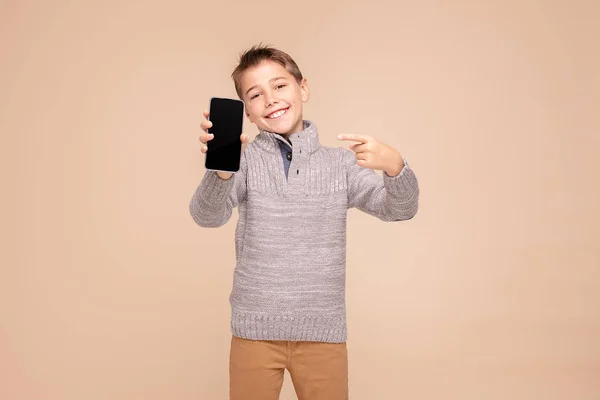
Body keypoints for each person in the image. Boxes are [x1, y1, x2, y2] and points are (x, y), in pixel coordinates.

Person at [189, 43, 419, 400]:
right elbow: (207, 216)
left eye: (279, 86)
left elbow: (399, 208)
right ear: (247, 112)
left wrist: (395, 166)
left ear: (303, 89)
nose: (271, 99)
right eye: (255, 94)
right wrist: (220, 172)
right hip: (255, 333)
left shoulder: (340, 165)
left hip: (322, 334)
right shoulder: (244, 162)